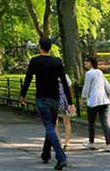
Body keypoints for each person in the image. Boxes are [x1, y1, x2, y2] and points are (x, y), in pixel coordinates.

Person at [19, 37, 74, 170]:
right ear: (50, 47)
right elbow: (65, 83)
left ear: (40, 47)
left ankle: (61, 157)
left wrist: (22, 95)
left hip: (42, 98)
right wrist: (70, 102)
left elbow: (27, 79)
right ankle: (46, 154)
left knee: (49, 126)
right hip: (55, 99)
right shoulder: (57, 62)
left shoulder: (35, 61)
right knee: (50, 126)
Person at [82, 55, 110, 152]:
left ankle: (91, 143)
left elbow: (86, 88)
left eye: (86, 61)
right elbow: (107, 85)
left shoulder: (89, 73)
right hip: (104, 101)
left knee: (91, 123)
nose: (85, 63)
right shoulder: (100, 72)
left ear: (91, 62)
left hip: (93, 101)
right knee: (105, 123)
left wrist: (83, 98)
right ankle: (109, 145)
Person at [57, 73, 74, 151]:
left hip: (56, 100)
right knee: (66, 122)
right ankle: (66, 143)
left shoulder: (50, 75)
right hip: (65, 100)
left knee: (55, 122)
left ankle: (59, 141)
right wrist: (70, 101)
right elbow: (70, 88)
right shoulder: (65, 76)